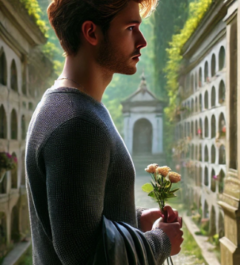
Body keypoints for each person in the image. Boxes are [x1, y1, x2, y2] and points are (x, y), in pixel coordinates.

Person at [25, 0, 183, 264]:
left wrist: (135, 220)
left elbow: (76, 219)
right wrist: (160, 242)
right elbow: (84, 253)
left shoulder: (71, 107)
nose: (142, 40)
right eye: (131, 28)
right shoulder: (77, 122)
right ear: (91, 32)